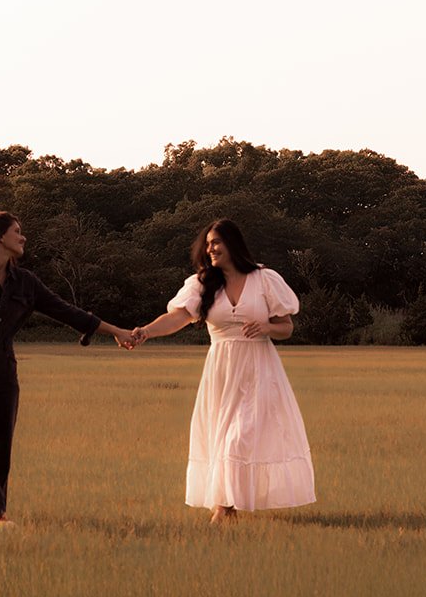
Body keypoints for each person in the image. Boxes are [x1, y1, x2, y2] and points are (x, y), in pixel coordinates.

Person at [0, 212, 134, 527]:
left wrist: (117, 330)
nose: (23, 238)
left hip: (3, 375)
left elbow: (67, 312)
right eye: (17, 232)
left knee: (1, 451)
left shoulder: (26, 283)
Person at [133, 219, 315, 522]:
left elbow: (287, 328)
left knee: (238, 438)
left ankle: (223, 509)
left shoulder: (264, 279)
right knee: (222, 437)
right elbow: (176, 318)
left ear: (233, 244)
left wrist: (267, 326)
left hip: (259, 369)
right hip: (221, 371)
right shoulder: (202, 284)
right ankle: (227, 507)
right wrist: (145, 332)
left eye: (216, 242)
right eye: (207, 244)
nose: (211, 248)